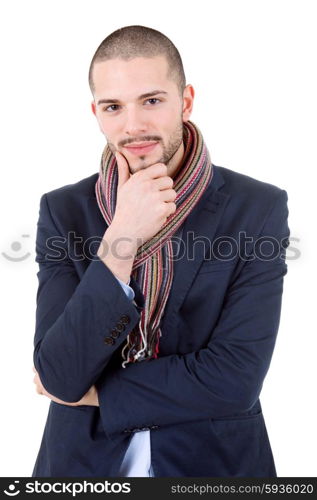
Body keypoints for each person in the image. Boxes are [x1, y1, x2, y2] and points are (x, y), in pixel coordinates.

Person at [32, 25, 290, 477]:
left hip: (215, 468)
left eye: (152, 101)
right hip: (82, 470)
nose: (133, 126)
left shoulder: (257, 208)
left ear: (185, 101)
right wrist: (122, 237)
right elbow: (59, 374)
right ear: (96, 112)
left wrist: (98, 393)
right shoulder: (63, 212)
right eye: (114, 107)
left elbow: (233, 380)